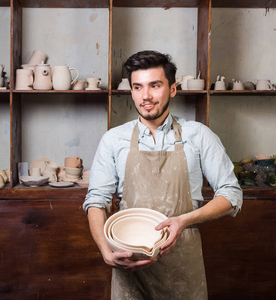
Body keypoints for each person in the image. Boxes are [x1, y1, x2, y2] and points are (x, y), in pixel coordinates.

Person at [83, 50, 243, 299]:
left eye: (155, 85)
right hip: (130, 265)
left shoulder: (198, 135)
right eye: (137, 87)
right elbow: (96, 201)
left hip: (183, 265)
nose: (145, 96)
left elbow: (231, 195)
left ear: (172, 89)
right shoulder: (114, 140)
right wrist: (105, 250)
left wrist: (183, 221)